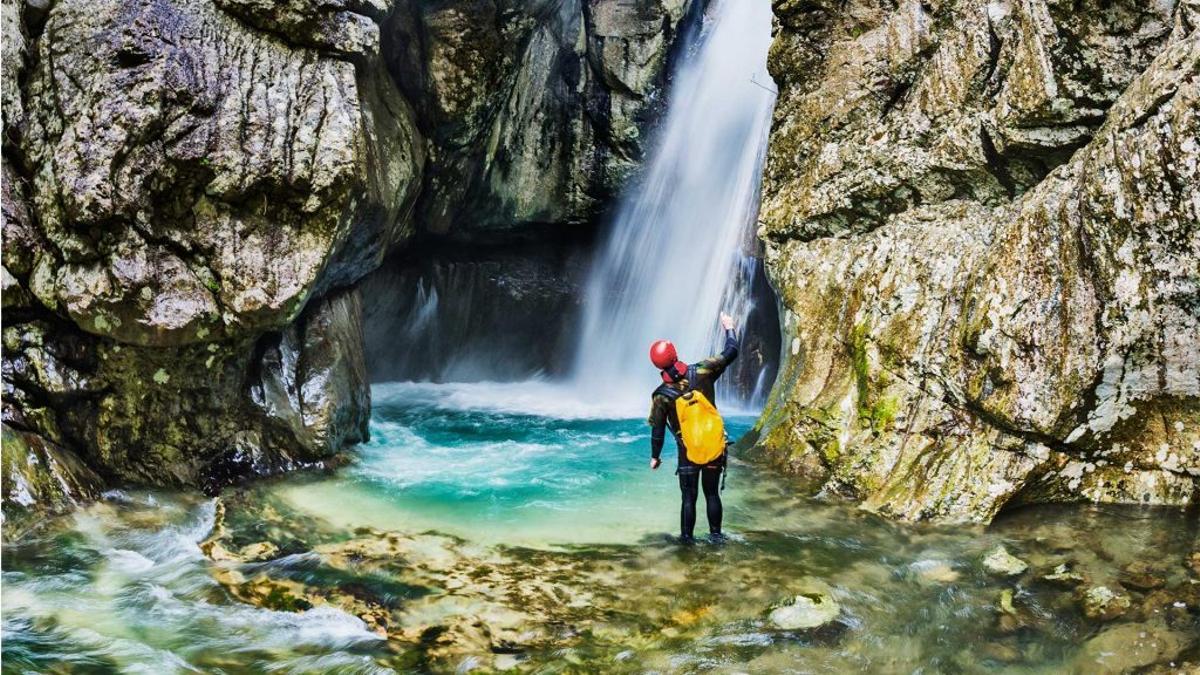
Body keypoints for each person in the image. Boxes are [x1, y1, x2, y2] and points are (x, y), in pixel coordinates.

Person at [647, 312, 739, 543]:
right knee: (712, 493)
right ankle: (716, 538)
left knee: (688, 498)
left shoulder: (661, 396)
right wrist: (729, 327)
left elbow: (657, 430)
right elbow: (731, 352)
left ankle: (686, 541)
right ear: (675, 354)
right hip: (713, 445)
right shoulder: (703, 371)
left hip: (687, 451)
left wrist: (655, 457)